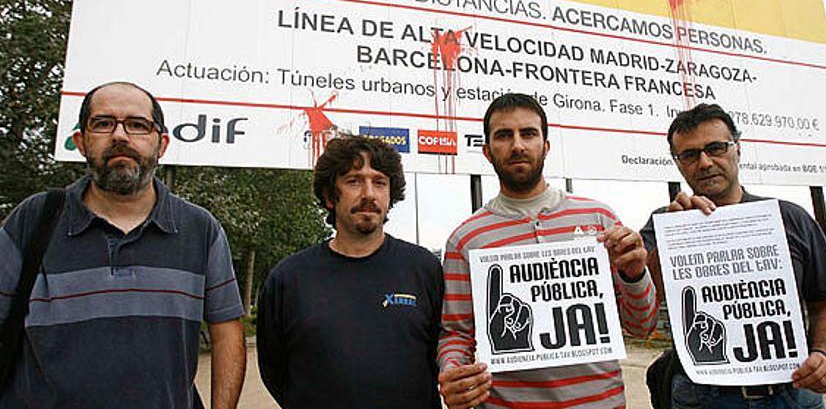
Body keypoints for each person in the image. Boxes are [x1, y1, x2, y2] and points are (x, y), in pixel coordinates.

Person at [0, 82, 246, 408]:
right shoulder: (33, 220)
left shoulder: (200, 229)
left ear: (162, 144)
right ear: (80, 141)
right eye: (103, 123)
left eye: (137, 125)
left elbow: (227, 331)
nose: (120, 136)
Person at [437, 93, 659, 409]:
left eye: (528, 133)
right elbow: (456, 334)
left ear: (546, 145)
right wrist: (453, 372)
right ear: (487, 151)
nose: (517, 145)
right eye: (504, 135)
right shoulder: (465, 239)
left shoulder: (600, 220)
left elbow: (643, 326)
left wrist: (635, 274)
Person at [640, 103, 826, 408]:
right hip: (701, 396)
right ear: (678, 163)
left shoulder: (790, 218)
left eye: (716, 148)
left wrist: (823, 356)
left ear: (738, 149)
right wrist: (674, 239)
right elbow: (641, 305)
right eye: (689, 155)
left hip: (792, 392)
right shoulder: (664, 223)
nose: (705, 162)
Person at [257, 135, 444, 409]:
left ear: (390, 194)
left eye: (379, 182)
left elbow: (445, 353)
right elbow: (275, 372)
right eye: (354, 180)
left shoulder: (424, 269)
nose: (369, 193)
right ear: (329, 195)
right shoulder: (288, 279)